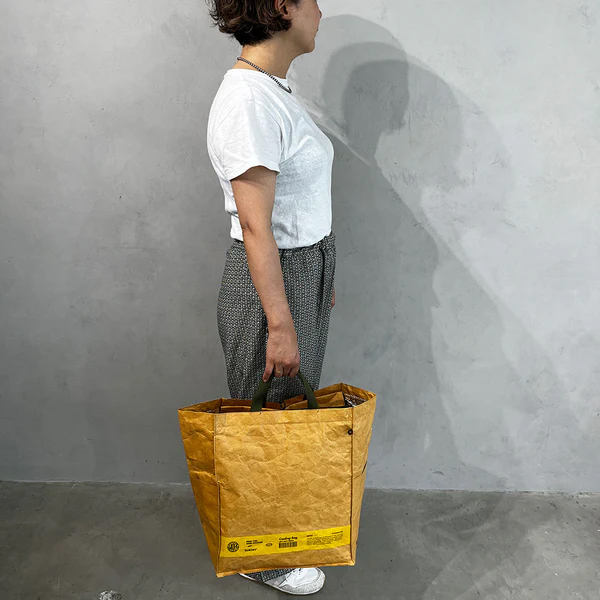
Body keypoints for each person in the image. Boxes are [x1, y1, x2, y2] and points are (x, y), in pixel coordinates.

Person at [206, 0, 335, 595]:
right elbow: (257, 227)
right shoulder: (247, 100)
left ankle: (276, 534)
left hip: (298, 272)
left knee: (285, 419)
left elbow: (295, 206)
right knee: (266, 425)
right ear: (282, 6)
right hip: (272, 282)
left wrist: (322, 275)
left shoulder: (272, 90)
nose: (320, 11)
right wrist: (280, 324)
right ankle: (261, 555)